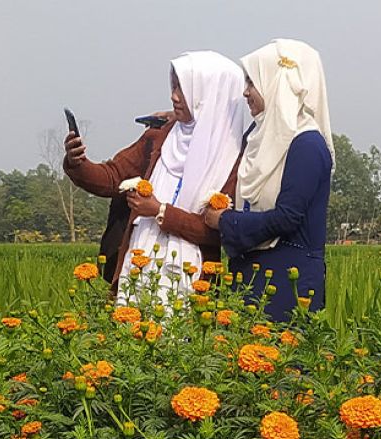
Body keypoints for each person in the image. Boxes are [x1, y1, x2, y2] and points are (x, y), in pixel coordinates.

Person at [64, 51, 249, 304]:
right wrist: (78, 163)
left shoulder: (232, 158)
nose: (173, 96)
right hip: (138, 264)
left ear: (208, 94)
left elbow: (217, 233)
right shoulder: (159, 137)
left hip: (191, 281)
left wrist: (160, 211)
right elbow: (112, 177)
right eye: (173, 86)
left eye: (183, 89)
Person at [204, 39, 333, 322]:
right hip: (252, 278)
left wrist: (225, 221)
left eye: (252, 82)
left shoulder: (306, 145)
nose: (246, 92)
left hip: (289, 285)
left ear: (275, 83)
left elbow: (287, 218)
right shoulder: (260, 138)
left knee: (281, 363)